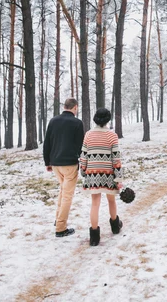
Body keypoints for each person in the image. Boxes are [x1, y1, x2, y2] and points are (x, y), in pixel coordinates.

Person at [79, 108, 123, 246]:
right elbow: (116, 158)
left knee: (95, 204)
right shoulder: (112, 136)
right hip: (108, 173)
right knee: (111, 200)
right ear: (108, 120)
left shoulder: (88, 135)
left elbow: (83, 155)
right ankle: (115, 226)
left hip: (93, 173)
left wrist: (83, 170)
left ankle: (94, 237)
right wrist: (119, 178)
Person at [43, 98, 85, 238]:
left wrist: (47, 162)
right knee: (67, 195)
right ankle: (61, 228)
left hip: (55, 164)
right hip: (70, 164)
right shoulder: (77, 123)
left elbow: (47, 143)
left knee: (63, 191)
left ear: (64, 106)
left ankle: (58, 219)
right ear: (75, 107)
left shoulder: (53, 121)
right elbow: (80, 146)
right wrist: (83, 161)